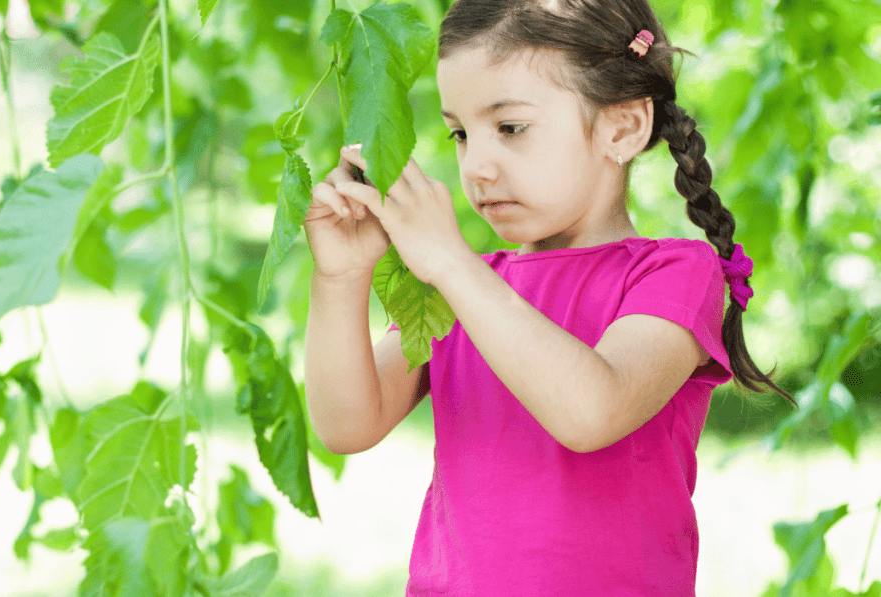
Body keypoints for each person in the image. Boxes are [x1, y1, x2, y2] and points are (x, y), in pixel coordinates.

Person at [302, 0, 794, 594]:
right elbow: (346, 425)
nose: (477, 166)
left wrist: (453, 265)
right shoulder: (468, 287)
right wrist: (342, 278)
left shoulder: (676, 273)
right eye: (460, 133)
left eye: (510, 128)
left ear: (624, 127)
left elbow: (592, 412)